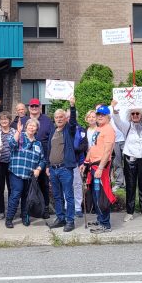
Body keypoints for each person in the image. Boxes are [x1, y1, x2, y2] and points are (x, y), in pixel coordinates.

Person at [110, 101, 142, 223]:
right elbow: (117, 120)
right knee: (130, 185)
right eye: (133, 113)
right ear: (130, 115)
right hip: (130, 158)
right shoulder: (127, 126)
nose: (135, 115)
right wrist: (114, 108)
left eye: (137, 113)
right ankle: (130, 212)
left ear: (141, 115)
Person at [81, 104, 117, 234]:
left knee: (102, 195)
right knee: (95, 195)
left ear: (108, 117)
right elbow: (93, 148)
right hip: (93, 165)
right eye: (98, 115)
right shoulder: (98, 129)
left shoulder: (108, 130)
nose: (100, 117)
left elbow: (107, 152)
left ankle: (105, 224)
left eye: (103, 115)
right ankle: (100, 219)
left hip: (101, 167)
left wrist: (100, 168)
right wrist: (85, 162)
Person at [45, 97, 78, 232]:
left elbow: (73, 121)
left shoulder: (69, 130)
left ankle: (70, 220)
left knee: (68, 196)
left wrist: (72, 106)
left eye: (61, 117)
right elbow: (49, 149)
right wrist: (47, 165)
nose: (59, 119)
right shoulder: (53, 131)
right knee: (57, 196)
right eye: (57, 117)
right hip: (53, 169)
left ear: (65, 119)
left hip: (65, 169)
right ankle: (60, 218)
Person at [5, 117, 45, 228]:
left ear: (37, 129)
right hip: (16, 172)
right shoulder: (20, 137)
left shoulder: (38, 144)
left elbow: (42, 160)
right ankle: (9, 219)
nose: (32, 127)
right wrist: (18, 131)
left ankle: (24, 216)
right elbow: (11, 144)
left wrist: (38, 169)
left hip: (29, 175)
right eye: (30, 125)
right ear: (26, 127)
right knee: (16, 195)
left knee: (26, 197)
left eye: (34, 126)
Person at [20, 98, 54, 218]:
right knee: (26, 186)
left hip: (42, 158)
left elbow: (51, 140)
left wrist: (48, 162)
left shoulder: (47, 121)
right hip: (26, 160)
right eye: (32, 106)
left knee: (43, 185)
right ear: (29, 108)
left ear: (40, 107)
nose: (34, 108)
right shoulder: (23, 120)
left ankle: (44, 209)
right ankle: (26, 209)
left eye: (36, 106)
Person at [0, 111, 15, 219]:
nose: (4, 121)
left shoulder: (14, 131)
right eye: (2, 119)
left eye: (6, 119)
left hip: (12, 163)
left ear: (10, 121)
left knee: (12, 188)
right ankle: (0, 210)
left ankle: (12, 210)